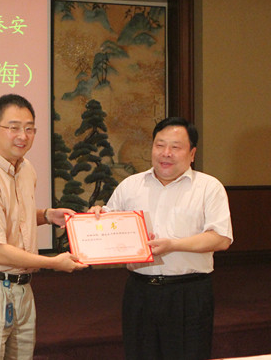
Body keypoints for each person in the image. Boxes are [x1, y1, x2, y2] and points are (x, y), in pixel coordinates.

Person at [0, 93, 88, 359]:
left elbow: (12, 217)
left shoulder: (25, 168)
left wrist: (47, 215)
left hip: (22, 288)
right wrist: (54, 263)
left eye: (29, 129)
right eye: (13, 127)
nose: (22, 136)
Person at [89, 116, 233, 360]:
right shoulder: (130, 186)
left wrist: (173, 245)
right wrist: (96, 218)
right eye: (160, 145)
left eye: (176, 147)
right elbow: (109, 226)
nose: (166, 153)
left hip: (189, 293)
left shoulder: (209, 187)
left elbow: (221, 238)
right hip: (140, 292)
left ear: (192, 153)